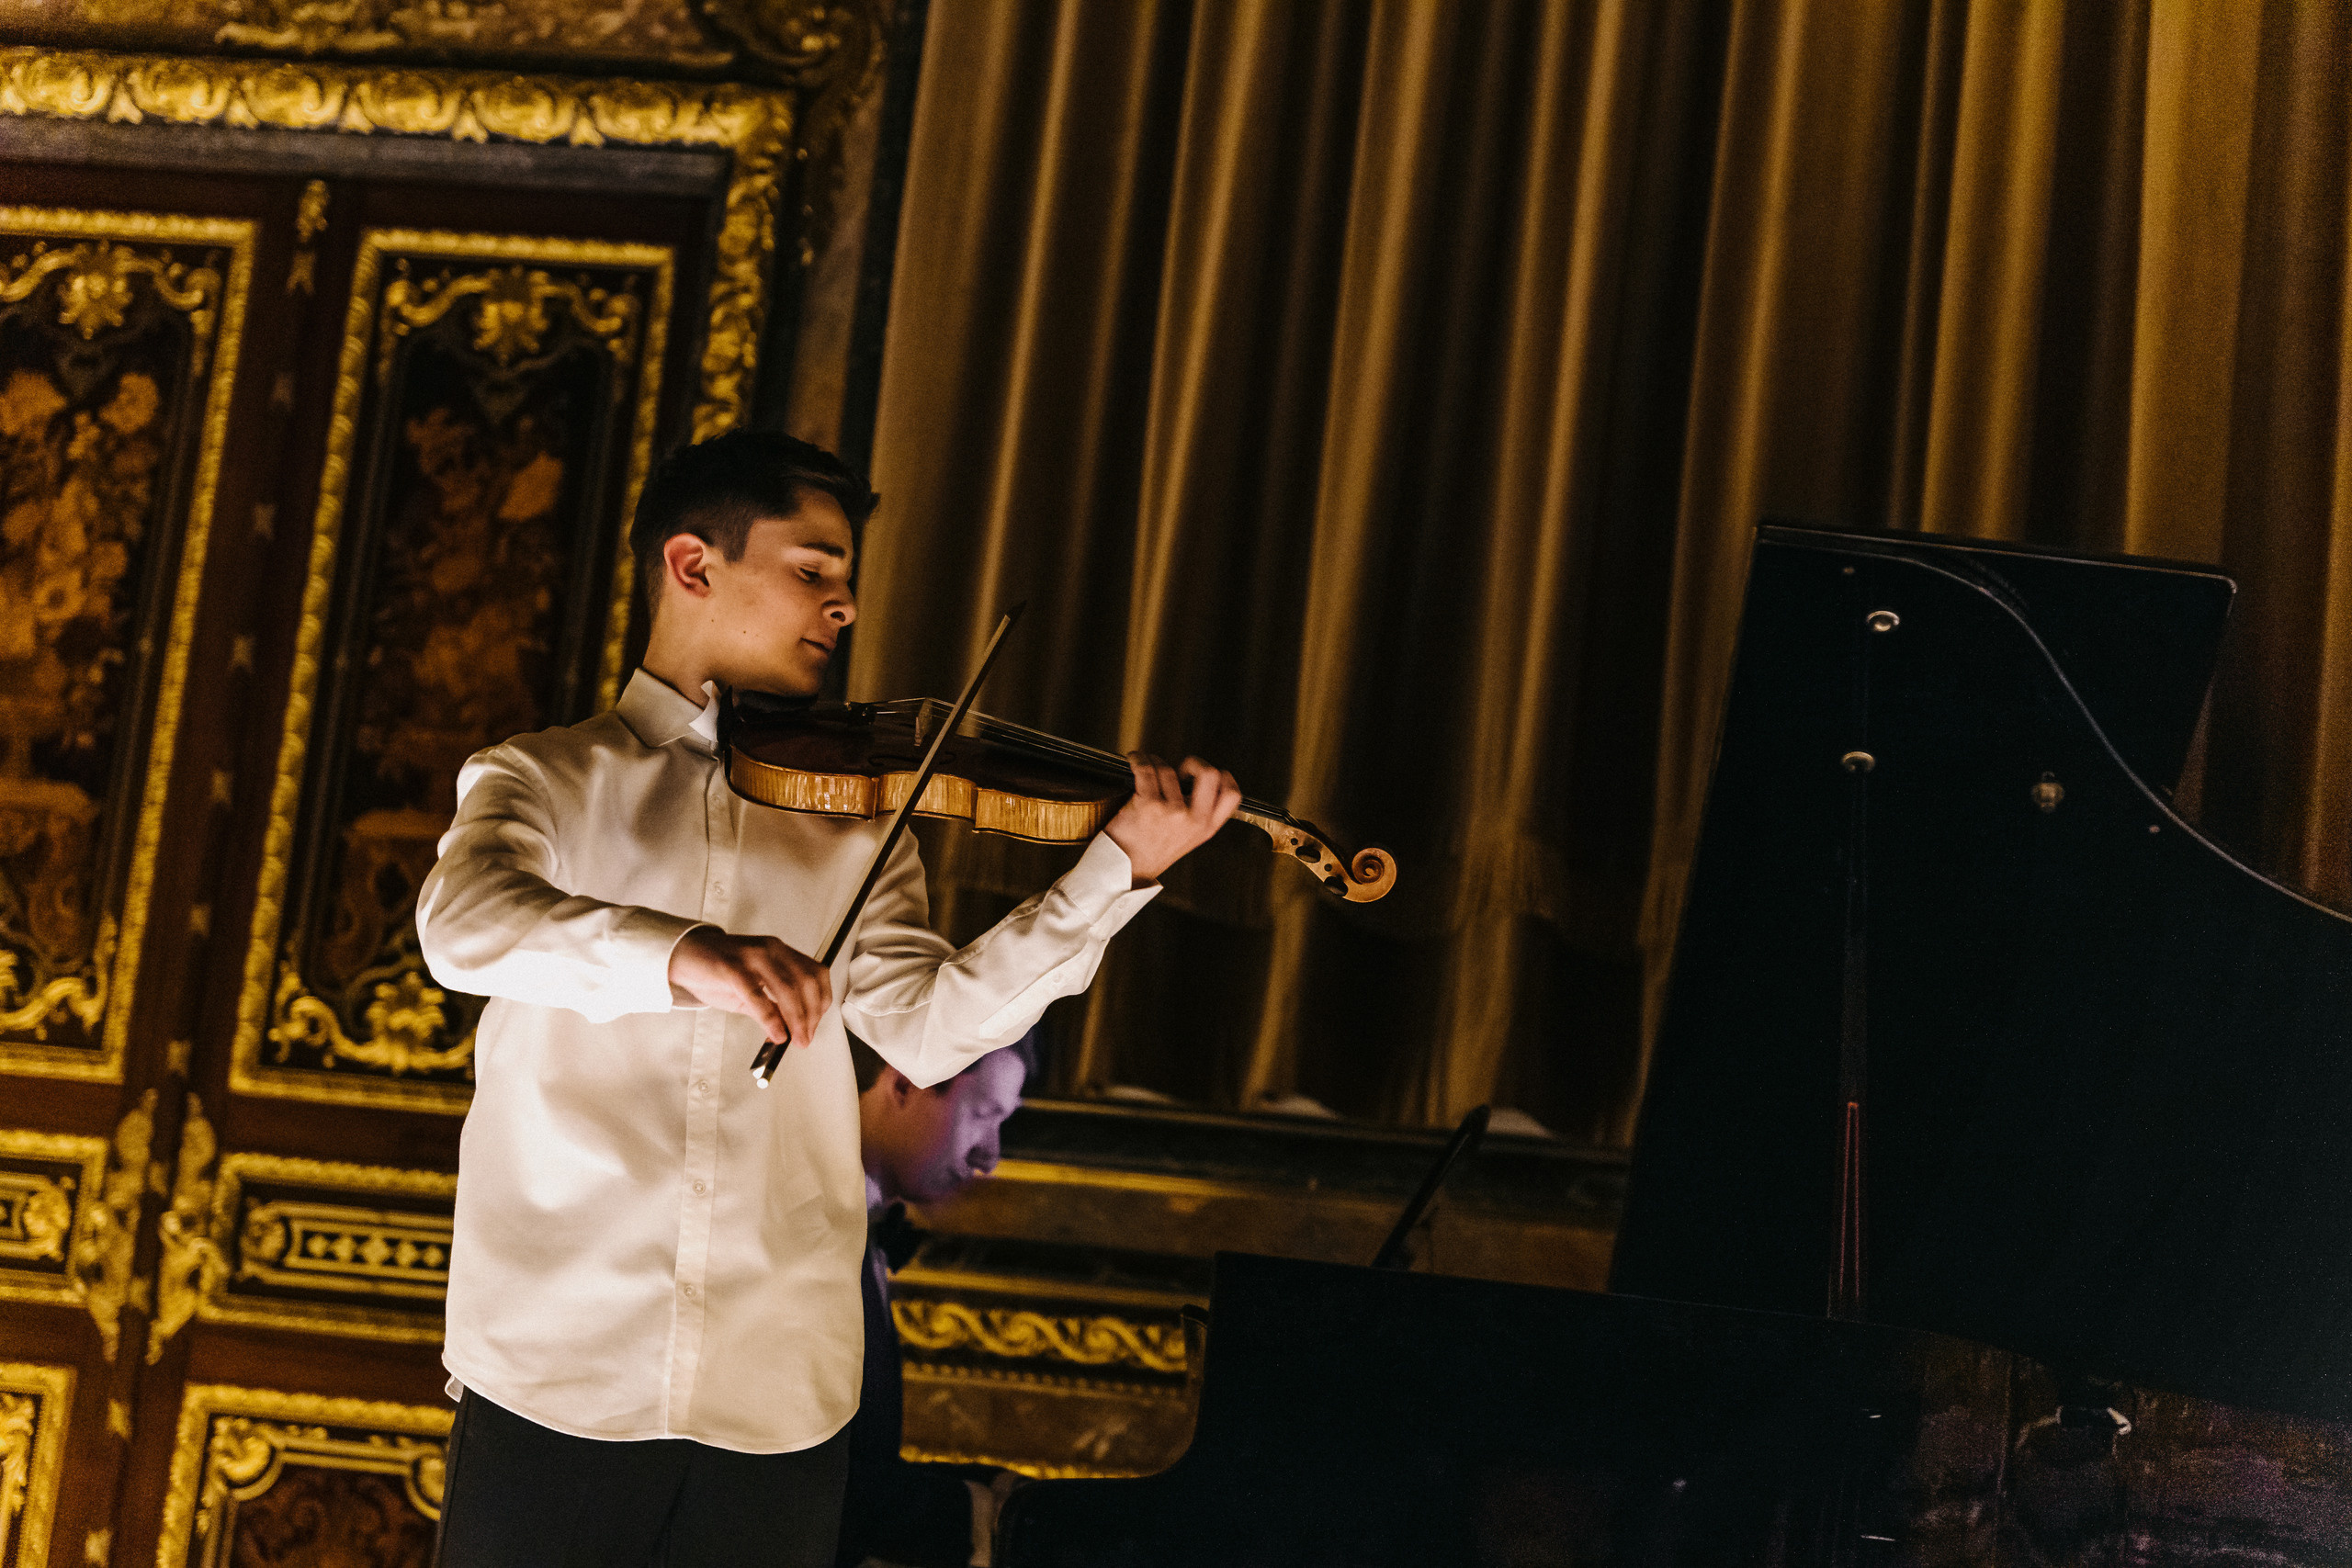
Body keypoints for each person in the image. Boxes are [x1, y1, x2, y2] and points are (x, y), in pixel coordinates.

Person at [417, 431, 1241, 1567]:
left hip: (779, 1395)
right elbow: (463, 927)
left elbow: (927, 1026)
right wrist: (688, 956)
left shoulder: (857, 818)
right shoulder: (547, 778)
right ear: (693, 565)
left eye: (847, 581)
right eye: (814, 570)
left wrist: (1117, 873)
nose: (842, 607)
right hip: (555, 1371)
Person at [840, 1032, 1035, 1568]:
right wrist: (977, 1511)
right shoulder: (810, 1227)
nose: (989, 1156)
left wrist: (995, 1486)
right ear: (903, 1083)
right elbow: (815, 1478)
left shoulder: (865, 1231)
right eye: (982, 1114)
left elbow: (867, 1454)